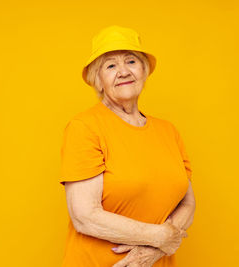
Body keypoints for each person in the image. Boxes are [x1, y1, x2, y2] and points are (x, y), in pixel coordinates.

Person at [59, 25, 196, 267]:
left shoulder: (168, 131)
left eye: (131, 61)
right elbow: (84, 216)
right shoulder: (85, 127)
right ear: (97, 80)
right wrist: (161, 237)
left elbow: (187, 202)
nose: (123, 71)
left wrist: (154, 250)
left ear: (144, 71)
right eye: (110, 66)